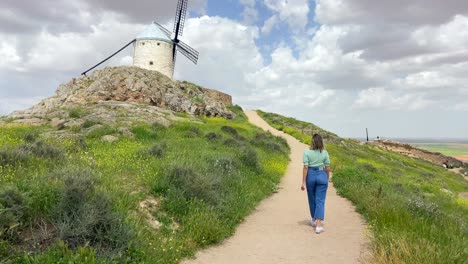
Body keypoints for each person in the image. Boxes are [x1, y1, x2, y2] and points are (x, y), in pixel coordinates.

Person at [301, 133, 331, 234]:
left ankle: (314, 220)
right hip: (322, 175)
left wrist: (303, 182)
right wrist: (327, 178)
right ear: (321, 142)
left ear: (312, 142)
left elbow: (305, 167)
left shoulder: (306, 152)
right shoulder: (325, 153)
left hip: (311, 175)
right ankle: (318, 225)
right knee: (320, 201)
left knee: (312, 199)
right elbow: (327, 168)